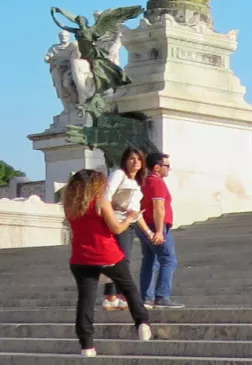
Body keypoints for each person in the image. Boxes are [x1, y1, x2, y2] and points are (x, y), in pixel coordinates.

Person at [63, 168, 152, 355]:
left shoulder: (69, 205)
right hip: (107, 254)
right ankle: (142, 323)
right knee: (129, 288)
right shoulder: (101, 202)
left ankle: (87, 345)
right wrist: (130, 217)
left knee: (85, 301)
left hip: (80, 257)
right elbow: (117, 228)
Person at [101, 147, 150, 312]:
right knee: (120, 260)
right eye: (131, 158)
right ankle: (117, 297)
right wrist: (112, 212)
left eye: (138, 159)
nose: (135, 162)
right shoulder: (118, 174)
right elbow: (106, 196)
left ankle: (114, 297)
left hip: (129, 223)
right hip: (116, 221)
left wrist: (148, 232)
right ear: (125, 161)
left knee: (119, 260)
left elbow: (135, 213)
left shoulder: (136, 182)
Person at [138, 152, 179, 307]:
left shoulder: (144, 182)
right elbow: (158, 207)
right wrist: (160, 231)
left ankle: (147, 297)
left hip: (144, 225)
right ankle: (162, 296)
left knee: (150, 261)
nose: (169, 169)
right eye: (166, 166)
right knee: (168, 259)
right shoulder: (157, 182)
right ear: (157, 167)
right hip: (155, 226)